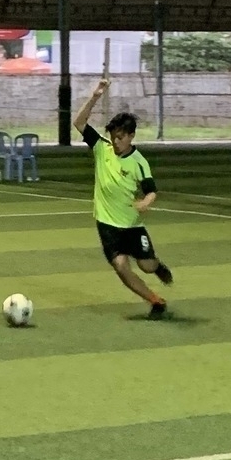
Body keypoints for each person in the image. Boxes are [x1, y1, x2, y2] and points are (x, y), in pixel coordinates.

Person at [72, 74, 175, 319]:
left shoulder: (139, 162)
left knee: (146, 266)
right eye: (113, 136)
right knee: (120, 267)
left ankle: (157, 265)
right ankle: (155, 301)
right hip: (107, 224)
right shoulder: (101, 148)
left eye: (120, 137)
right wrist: (95, 96)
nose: (115, 142)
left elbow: (151, 190)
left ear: (130, 136)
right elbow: (79, 123)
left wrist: (145, 203)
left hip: (132, 226)